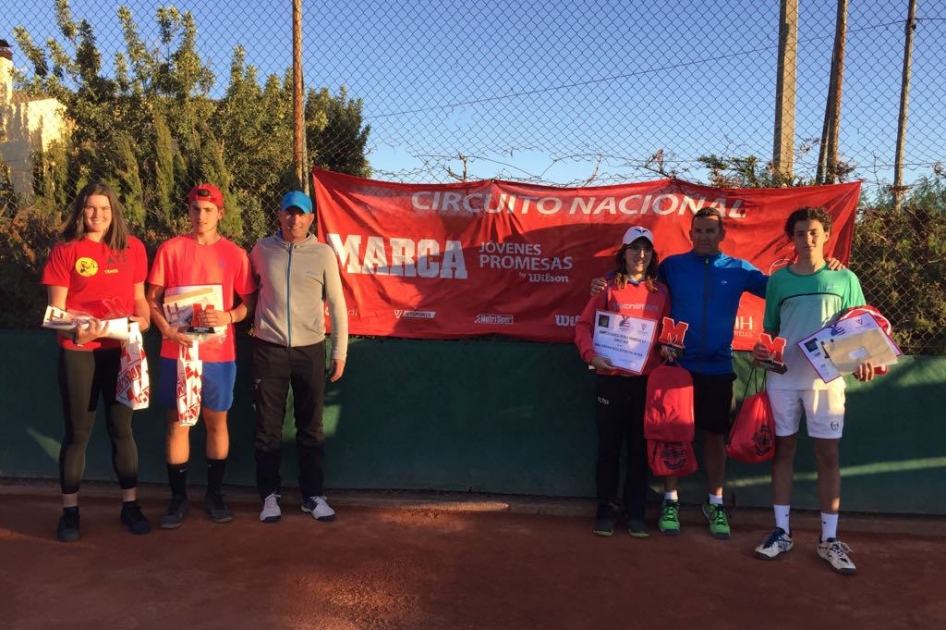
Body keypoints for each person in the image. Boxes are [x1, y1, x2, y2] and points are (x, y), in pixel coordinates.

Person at [751, 207, 874, 575]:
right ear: (793, 237)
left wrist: (863, 358)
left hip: (828, 380)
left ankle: (829, 540)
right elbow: (771, 331)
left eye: (815, 232)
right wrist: (763, 352)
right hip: (784, 377)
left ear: (827, 235)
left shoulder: (845, 278)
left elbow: (860, 328)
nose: (808, 239)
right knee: (783, 451)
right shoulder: (779, 282)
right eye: (801, 232)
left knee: (828, 457)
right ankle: (782, 532)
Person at [42, 182, 152, 541]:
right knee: (78, 433)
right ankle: (70, 513)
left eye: (104, 209)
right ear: (80, 210)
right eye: (90, 208)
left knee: (122, 430)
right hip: (79, 353)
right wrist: (77, 331)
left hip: (122, 352)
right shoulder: (65, 250)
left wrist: (145, 319)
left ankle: (130, 506)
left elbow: (139, 300)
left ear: (114, 211)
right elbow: (56, 312)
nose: (97, 215)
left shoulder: (133, 248)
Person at [146, 184, 255, 528]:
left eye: (208, 210)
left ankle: (214, 494)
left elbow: (248, 303)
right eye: (196, 209)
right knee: (178, 423)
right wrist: (165, 329)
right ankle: (178, 499)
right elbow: (151, 299)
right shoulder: (170, 249)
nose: (201, 216)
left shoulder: (236, 255)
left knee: (215, 422)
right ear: (189, 211)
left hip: (219, 354)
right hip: (176, 350)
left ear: (220, 213)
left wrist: (229, 316)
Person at [250, 191, 348, 523]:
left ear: (311, 219)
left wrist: (339, 352)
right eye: (289, 213)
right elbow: (248, 294)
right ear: (279, 216)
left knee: (312, 427)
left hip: (310, 350)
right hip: (268, 348)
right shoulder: (261, 250)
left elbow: (337, 304)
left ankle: (313, 495)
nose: (295, 219)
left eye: (301, 214)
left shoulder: (323, 254)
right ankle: (269, 496)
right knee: (267, 428)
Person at [575, 226, 670, 538]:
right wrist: (591, 356)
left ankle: (636, 511)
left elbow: (665, 336)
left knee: (640, 450)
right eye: (634, 248)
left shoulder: (661, 293)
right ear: (623, 253)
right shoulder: (606, 288)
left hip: (645, 383)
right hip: (610, 380)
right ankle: (606, 509)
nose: (640, 255)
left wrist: (669, 347)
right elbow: (584, 326)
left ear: (652, 255)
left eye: (646, 250)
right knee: (609, 448)